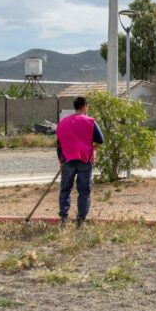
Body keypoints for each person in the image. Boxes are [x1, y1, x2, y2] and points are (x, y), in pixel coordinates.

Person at [56, 96, 104, 227]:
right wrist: (89, 143)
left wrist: (61, 160)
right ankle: (81, 220)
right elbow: (101, 139)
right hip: (84, 159)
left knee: (65, 189)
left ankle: (64, 218)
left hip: (67, 160)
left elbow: (59, 144)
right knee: (84, 191)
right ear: (84, 106)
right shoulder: (90, 121)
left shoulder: (63, 122)